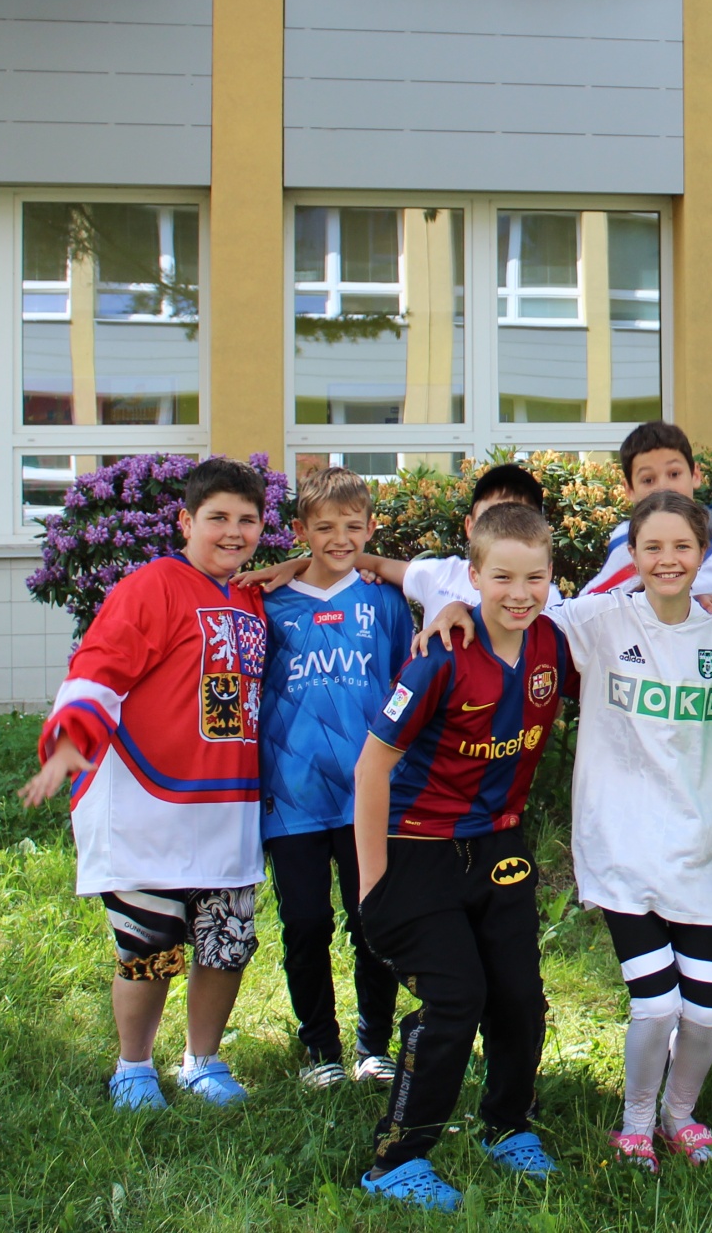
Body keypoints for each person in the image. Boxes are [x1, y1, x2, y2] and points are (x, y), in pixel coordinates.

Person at [418, 490, 712, 1169]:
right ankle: (634, 1125)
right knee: (656, 1005)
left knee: (706, 1011)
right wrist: (455, 608)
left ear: (704, 554)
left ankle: (680, 1116)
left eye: (682, 546)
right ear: (631, 555)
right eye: (652, 546)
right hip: (621, 845)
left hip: (701, 851)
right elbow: (513, 608)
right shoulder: (599, 619)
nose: (667, 559)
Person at [22, 458, 273, 1110]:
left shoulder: (252, 596)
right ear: (185, 521)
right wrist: (69, 742)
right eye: (218, 517)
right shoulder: (151, 586)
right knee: (148, 947)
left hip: (228, 806)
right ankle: (133, 1068)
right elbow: (100, 666)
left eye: (247, 519)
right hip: (148, 804)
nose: (233, 531)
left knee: (225, 944)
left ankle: (202, 1061)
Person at [352, 503, 579, 1211]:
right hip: (418, 847)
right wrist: (372, 883)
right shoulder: (440, 655)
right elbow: (371, 769)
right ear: (473, 576)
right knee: (455, 998)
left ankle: (506, 1125)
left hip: (499, 844)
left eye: (535, 577)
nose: (520, 593)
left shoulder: (555, 644)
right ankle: (397, 1160)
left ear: (552, 577)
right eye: (502, 577)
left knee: (520, 997)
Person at [580, 419, 712, 1081]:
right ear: (628, 492)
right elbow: (602, 610)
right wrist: (681, 603)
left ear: (696, 474)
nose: (663, 485)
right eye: (646, 478)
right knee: (677, 855)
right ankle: (670, 1000)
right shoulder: (628, 544)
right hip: (673, 722)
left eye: (673, 473)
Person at [258, 467, 413, 1089]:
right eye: (324, 527)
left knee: (372, 918)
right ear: (301, 530)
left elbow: (405, 686)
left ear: (371, 528)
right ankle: (321, 1048)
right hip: (291, 794)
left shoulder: (384, 601)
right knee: (304, 923)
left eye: (353, 526)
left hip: (365, 798)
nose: (339, 538)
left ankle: (373, 1044)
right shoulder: (271, 603)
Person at [243, 463, 566, 627]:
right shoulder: (440, 575)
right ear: (469, 526)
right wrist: (297, 566)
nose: (505, 528)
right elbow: (367, 560)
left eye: (520, 516)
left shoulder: (547, 596)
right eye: (492, 516)